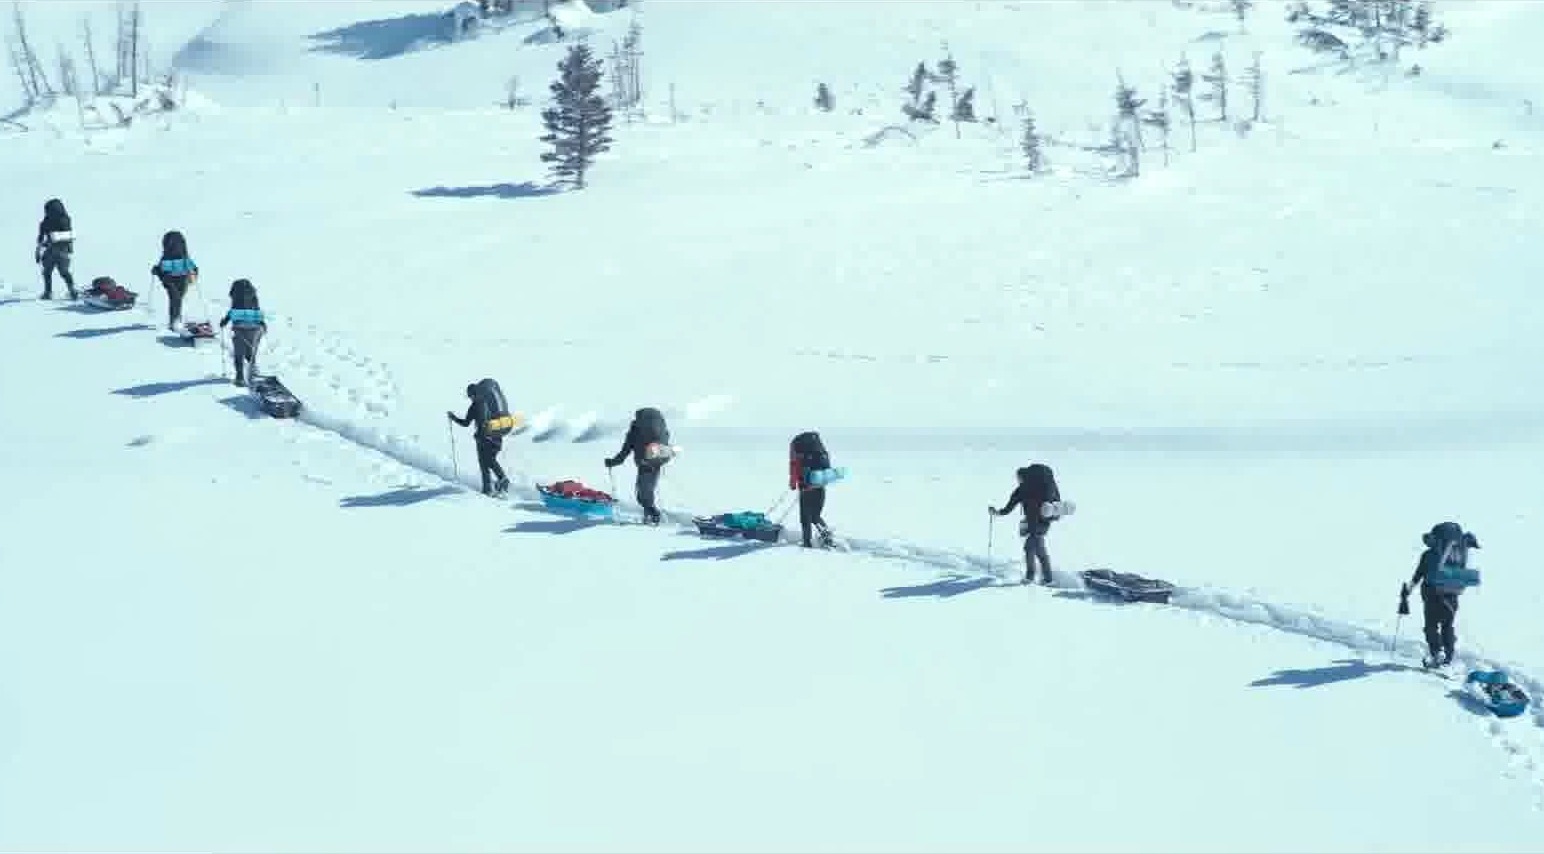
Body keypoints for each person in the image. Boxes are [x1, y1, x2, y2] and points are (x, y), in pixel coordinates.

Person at [1404, 521, 1481, 668]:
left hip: (1432, 595)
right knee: (1447, 626)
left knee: (1431, 626)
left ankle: (1437, 652)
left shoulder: (1428, 555)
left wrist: (1408, 589)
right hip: (1452, 596)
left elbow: (1418, 575)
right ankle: (1448, 656)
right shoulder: (1459, 554)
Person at [990, 463, 1061, 585]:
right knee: (1038, 550)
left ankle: (1031, 577)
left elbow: (1008, 508)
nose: (1017, 480)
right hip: (1045, 521)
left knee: (1030, 548)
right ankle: (1047, 578)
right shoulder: (1039, 487)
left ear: (1022, 477)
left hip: (1034, 524)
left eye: (1017, 478)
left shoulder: (1022, 490)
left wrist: (997, 512)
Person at [604, 407, 672, 525]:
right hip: (654, 462)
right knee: (645, 491)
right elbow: (665, 444)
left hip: (647, 464)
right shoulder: (658, 429)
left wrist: (613, 462)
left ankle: (654, 515)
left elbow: (625, 451)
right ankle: (649, 515)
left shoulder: (636, 431)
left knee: (643, 494)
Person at [447, 380, 511, 497]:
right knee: (489, 460)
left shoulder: (475, 406)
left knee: (485, 463)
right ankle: (498, 482)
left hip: (483, 439)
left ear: (473, 394)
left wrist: (453, 418)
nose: (470, 398)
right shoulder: (487, 403)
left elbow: (465, 423)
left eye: (470, 396)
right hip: (496, 436)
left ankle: (492, 486)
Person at [789, 431, 834, 548]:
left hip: (806, 487)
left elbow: (794, 465)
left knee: (805, 518)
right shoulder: (819, 449)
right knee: (815, 516)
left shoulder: (795, 446)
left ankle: (806, 543)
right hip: (820, 484)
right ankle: (827, 538)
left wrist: (793, 483)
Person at [218, 278, 267, 387]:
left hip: (239, 328)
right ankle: (253, 372)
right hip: (254, 328)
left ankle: (240, 377)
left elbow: (232, 312)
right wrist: (262, 323)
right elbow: (257, 311)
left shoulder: (236, 296)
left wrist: (224, 321)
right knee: (250, 351)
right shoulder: (253, 296)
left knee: (239, 353)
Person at [150, 230, 199, 330]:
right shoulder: (176, 257)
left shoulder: (176, 257)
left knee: (177, 299)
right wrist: (157, 271)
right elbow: (162, 270)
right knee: (175, 298)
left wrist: (194, 272)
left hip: (181, 279)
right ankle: (175, 321)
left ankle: (176, 320)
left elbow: (192, 267)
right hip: (170, 280)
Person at [35, 198, 77, 300]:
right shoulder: (66, 219)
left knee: (47, 272)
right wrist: (70, 248)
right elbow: (69, 236)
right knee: (64, 272)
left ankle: (48, 292)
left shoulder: (45, 222)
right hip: (63, 250)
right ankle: (72, 290)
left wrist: (38, 251)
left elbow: (40, 239)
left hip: (51, 250)